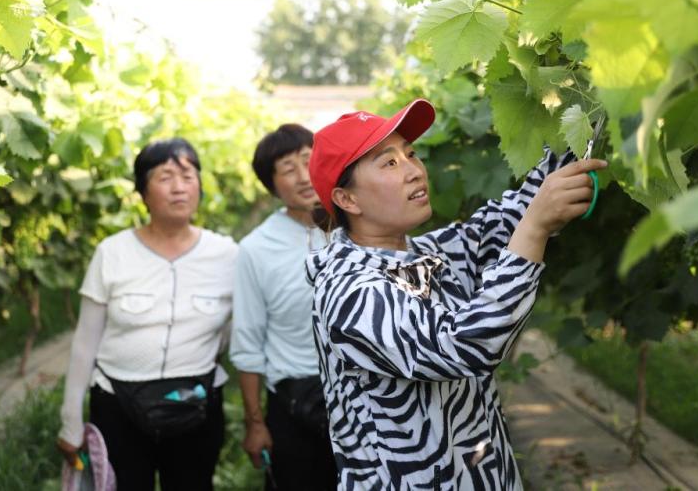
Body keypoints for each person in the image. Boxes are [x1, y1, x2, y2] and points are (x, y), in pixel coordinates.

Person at [305, 100, 608, 490]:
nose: (415, 171)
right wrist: (534, 228)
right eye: (390, 163)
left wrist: (587, 100)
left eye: (410, 155)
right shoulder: (349, 293)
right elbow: (465, 345)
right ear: (347, 200)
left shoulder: (431, 255)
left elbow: (519, 210)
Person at [56, 138, 238, 491]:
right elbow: (84, 343)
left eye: (188, 176)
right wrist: (70, 421)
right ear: (142, 191)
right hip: (118, 406)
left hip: (196, 405)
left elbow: (231, 331)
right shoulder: (112, 253)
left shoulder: (227, 254)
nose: (179, 188)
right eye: (165, 177)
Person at [230, 124, 337, 490]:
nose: (304, 176)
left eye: (309, 161)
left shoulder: (359, 225)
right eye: (288, 169)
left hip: (365, 395)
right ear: (272, 186)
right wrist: (255, 424)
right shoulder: (256, 249)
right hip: (295, 405)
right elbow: (247, 342)